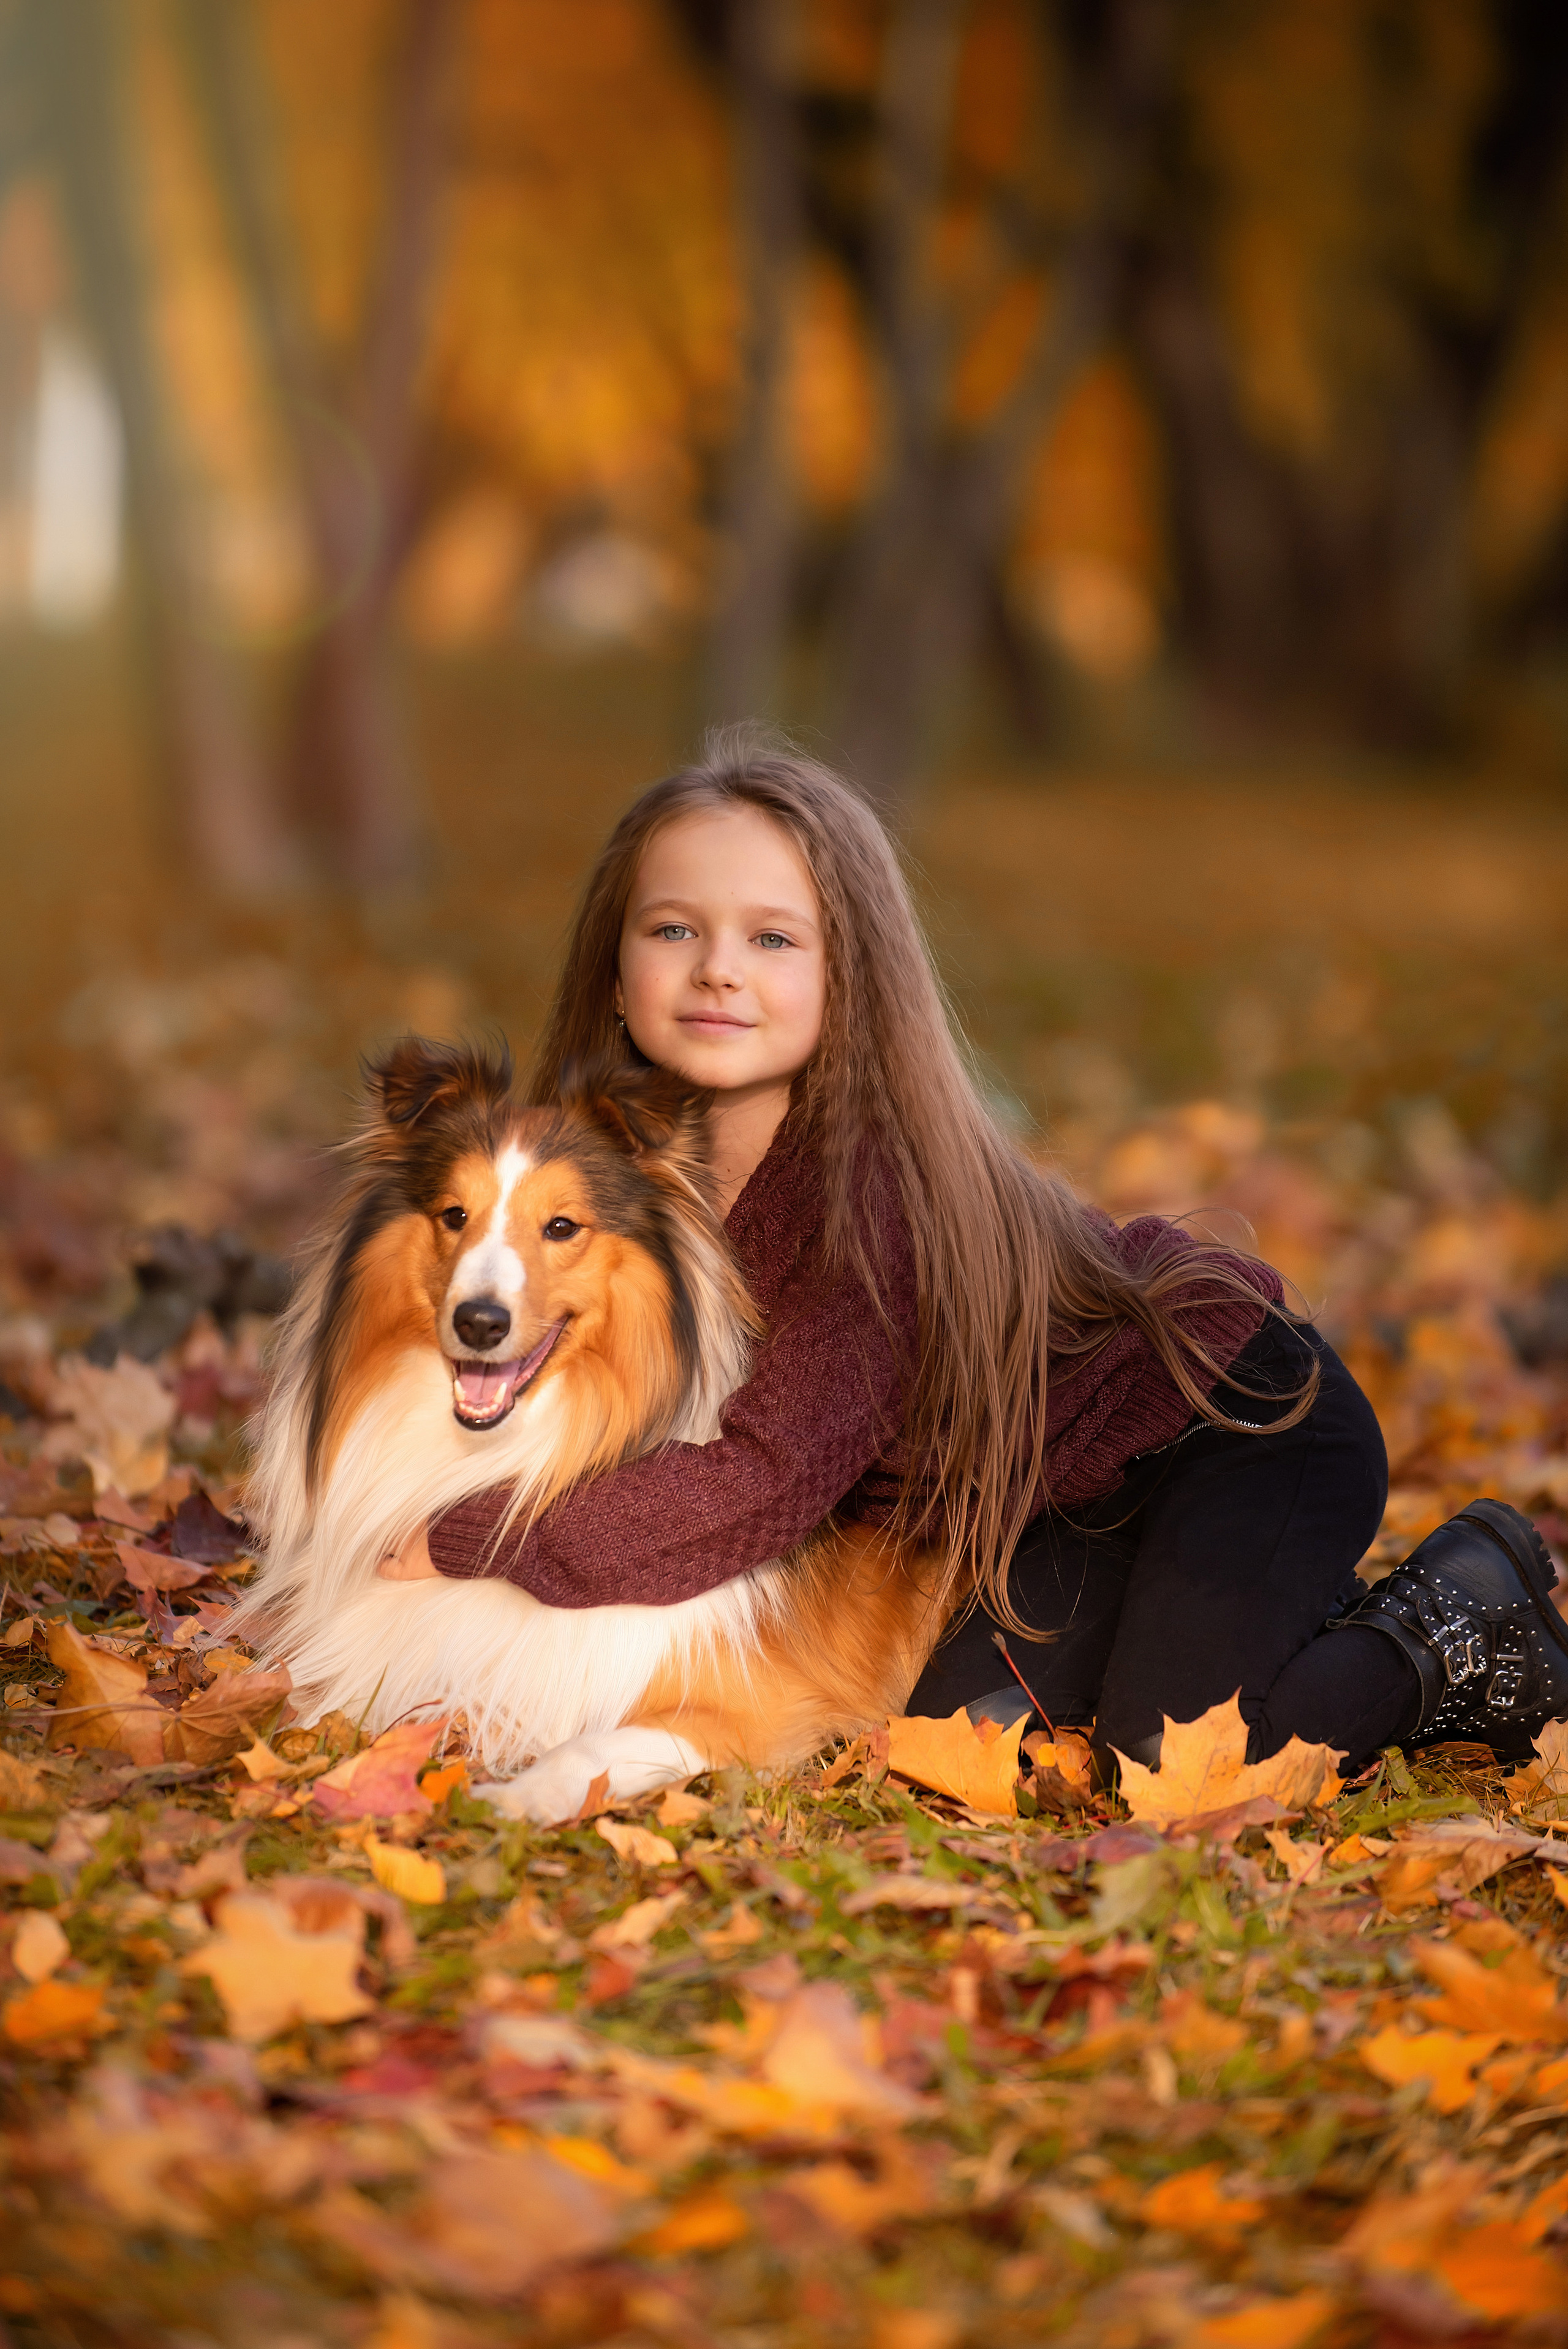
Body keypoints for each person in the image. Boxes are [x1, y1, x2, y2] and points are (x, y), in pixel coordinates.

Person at [379, 728, 1568, 1777]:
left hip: (1233, 1424)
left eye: (773, 938)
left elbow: (762, 1480)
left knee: (1183, 1767)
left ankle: (1454, 1619)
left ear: (851, 972)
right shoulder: (606, 1168)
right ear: (614, 960)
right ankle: (1263, 1612)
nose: (717, 969)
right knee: (960, 1731)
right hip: (1043, 1505)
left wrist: (475, 1534)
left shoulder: (867, 1202)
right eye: (674, 927)